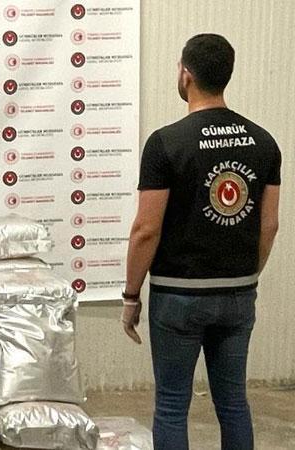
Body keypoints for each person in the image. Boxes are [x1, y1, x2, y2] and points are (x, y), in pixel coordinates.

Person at [121, 34, 281, 449]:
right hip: (237, 294)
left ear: (186, 75)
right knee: (234, 403)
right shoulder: (264, 142)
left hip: (178, 295)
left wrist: (131, 295)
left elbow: (146, 230)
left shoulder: (165, 143)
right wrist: (246, 276)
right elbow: (269, 226)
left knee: (172, 406)